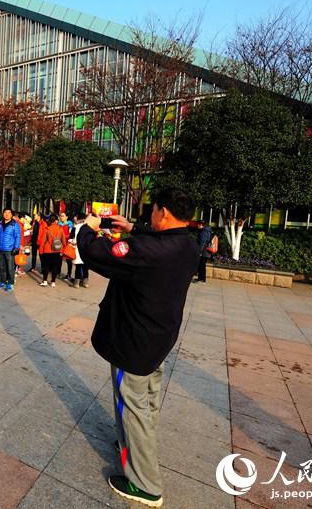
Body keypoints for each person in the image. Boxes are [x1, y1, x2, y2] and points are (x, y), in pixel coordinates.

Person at [77, 188, 199, 507]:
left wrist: (88, 228)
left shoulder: (148, 251)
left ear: (164, 213)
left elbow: (95, 253)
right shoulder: (188, 244)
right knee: (147, 400)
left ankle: (145, 485)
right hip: (158, 337)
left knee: (130, 405)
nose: (151, 216)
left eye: (153, 210)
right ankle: (136, 444)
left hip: (133, 341)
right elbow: (156, 241)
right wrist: (134, 228)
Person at [0, 208, 21, 291]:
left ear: (11, 214)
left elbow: (18, 236)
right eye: (5, 212)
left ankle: (10, 283)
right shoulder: (0, 223)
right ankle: (3, 281)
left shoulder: (14, 224)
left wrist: (16, 247)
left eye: (9, 213)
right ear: (3, 214)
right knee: (2, 267)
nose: (7, 214)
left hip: (10, 249)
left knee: (10, 267)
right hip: (0, 248)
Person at [38, 213, 65, 287]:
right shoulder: (60, 229)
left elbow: (43, 241)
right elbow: (63, 240)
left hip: (47, 250)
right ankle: (53, 282)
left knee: (46, 266)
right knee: (55, 266)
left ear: (49, 220)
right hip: (57, 250)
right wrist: (63, 249)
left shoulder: (47, 229)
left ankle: (45, 281)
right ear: (56, 220)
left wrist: (41, 250)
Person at [70, 213, 90, 288]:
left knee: (78, 266)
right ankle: (85, 283)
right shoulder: (88, 227)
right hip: (86, 249)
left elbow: (71, 238)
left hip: (77, 248)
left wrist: (72, 241)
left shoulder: (75, 227)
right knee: (85, 266)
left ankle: (76, 283)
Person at [58, 212, 74, 282]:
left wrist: (64, 236)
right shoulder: (59, 224)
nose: (61, 217)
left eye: (63, 216)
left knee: (68, 260)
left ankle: (69, 274)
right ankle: (58, 272)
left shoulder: (70, 225)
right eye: (60, 216)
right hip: (60, 244)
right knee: (59, 259)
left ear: (67, 217)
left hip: (67, 244)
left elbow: (71, 235)